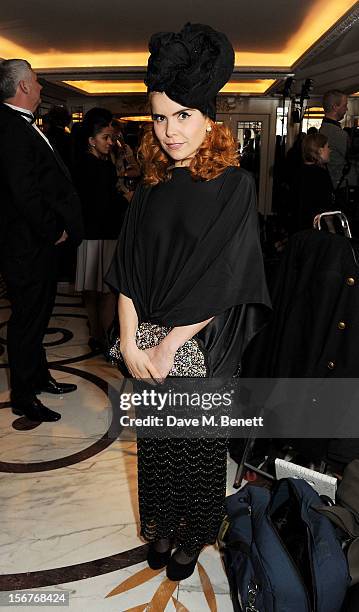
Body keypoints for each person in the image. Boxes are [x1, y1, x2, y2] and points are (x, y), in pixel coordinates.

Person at [106, 23, 270, 581]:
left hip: (202, 344)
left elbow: (230, 274)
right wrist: (130, 342)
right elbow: (127, 269)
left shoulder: (235, 185)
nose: (171, 130)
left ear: (207, 117)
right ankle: (161, 527)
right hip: (146, 343)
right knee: (155, 448)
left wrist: (171, 343)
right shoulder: (149, 186)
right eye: (159, 117)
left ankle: (192, 536)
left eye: (183, 116)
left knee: (197, 451)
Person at [0, 59, 83, 422]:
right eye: (36, 82)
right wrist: (54, 229)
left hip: (35, 246)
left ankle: (38, 375)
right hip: (28, 246)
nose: (41, 88)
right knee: (26, 321)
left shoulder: (20, 126)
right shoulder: (10, 128)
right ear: (21, 87)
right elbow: (24, 192)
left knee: (39, 316)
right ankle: (23, 395)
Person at [74, 109, 129, 352]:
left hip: (89, 233)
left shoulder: (85, 163)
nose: (110, 142)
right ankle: (105, 340)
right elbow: (105, 203)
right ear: (91, 140)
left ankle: (97, 336)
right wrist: (127, 198)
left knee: (91, 289)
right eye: (105, 138)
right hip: (104, 233)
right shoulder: (99, 166)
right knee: (107, 291)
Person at [290, 132, 334, 232]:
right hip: (317, 228)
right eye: (328, 147)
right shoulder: (321, 175)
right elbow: (325, 207)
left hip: (299, 228)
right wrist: (332, 229)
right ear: (320, 150)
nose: (330, 150)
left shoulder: (298, 172)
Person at [320, 90, 350, 191]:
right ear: (335, 107)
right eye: (344, 105)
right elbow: (351, 157)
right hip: (342, 185)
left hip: (332, 183)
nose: (346, 109)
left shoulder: (324, 128)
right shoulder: (336, 133)